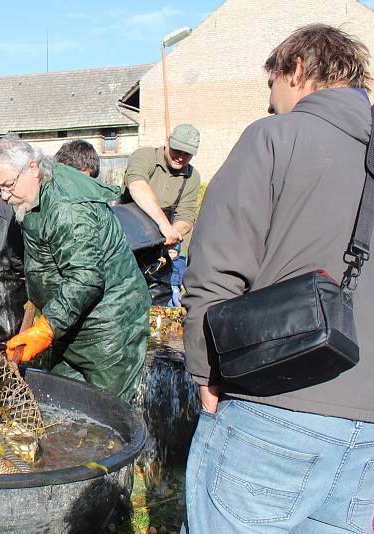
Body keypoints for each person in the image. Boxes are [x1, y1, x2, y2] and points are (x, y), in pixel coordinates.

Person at [181, 24, 374, 533]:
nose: (271, 103)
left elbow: (216, 265)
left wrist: (207, 372)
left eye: (272, 86)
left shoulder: (275, 136)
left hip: (274, 406)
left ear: (297, 71)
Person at [0, 137, 150, 402]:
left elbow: (86, 278)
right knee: (63, 407)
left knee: (105, 417)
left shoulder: (66, 208)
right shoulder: (34, 192)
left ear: (33, 168)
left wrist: (46, 328)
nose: (4, 195)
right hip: (71, 321)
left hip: (109, 329)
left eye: (8, 185)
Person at [123, 123, 201, 245]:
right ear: (167, 142)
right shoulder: (145, 155)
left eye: (187, 153)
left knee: (180, 263)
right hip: (126, 233)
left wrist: (172, 235)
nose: (180, 157)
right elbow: (137, 185)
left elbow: (186, 216)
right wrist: (165, 226)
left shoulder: (192, 176)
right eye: (177, 150)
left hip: (162, 240)